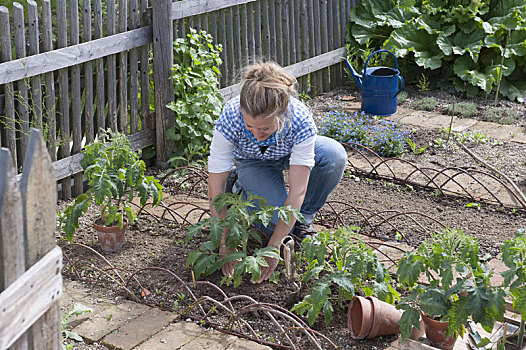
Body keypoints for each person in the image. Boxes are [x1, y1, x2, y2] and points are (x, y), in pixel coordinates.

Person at [207, 61, 347, 283]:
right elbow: (215, 187)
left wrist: (274, 246)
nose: (256, 134)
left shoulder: (299, 119)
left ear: (282, 113)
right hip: (254, 162)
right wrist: (225, 242)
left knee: (333, 156)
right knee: (272, 221)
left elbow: (298, 190)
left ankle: (303, 221)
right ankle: (241, 187)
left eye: (264, 128)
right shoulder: (230, 117)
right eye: (249, 127)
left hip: (288, 153)